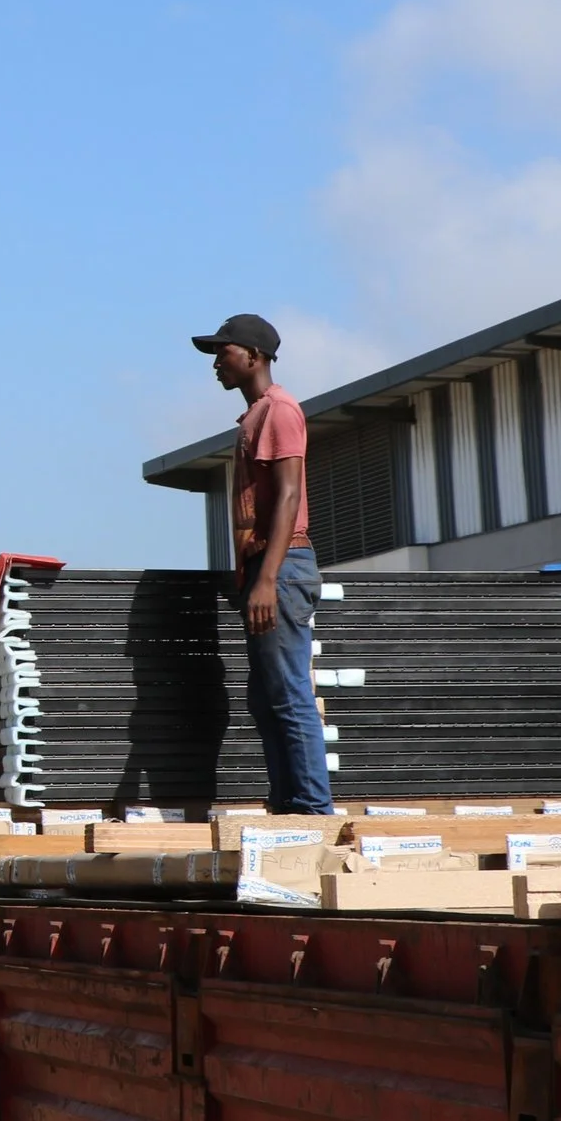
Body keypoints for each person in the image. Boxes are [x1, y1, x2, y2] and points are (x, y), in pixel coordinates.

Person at [195, 313, 335, 815]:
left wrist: (268, 578)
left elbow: (289, 494)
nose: (216, 363)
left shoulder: (279, 409)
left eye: (223, 351)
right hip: (264, 570)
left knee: (290, 695)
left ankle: (312, 813)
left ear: (254, 355)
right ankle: (287, 806)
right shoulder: (254, 415)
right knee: (267, 698)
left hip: (283, 566)